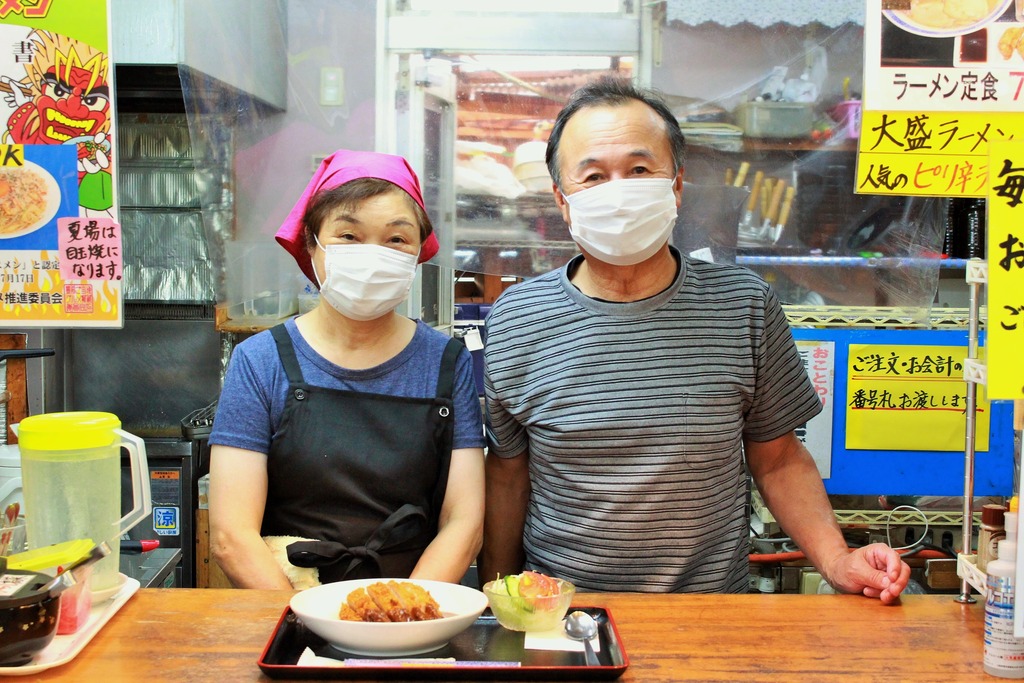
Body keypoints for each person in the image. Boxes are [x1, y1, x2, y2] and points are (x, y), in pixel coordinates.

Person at [481, 78, 910, 603]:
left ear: (676, 185)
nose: (617, 191)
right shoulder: (517, 319)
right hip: (562, 613)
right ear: (562, 201)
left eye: (639, 170)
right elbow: (508, 473)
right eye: (593, 176)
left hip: (711, 612)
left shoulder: (743, 305)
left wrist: (837, 559)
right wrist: (495, 598)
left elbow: (776, 457)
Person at [209, 149, 485, 589]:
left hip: (413, 606)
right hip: (285, 604)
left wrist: (402, 616)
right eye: (349, 236)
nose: (373, 255)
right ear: (311, 243)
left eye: (396, 239)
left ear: (416, 253)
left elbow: (464, 523)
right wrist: (301, 619)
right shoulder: (261, 361)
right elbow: (230, 536)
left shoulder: (446, 362)